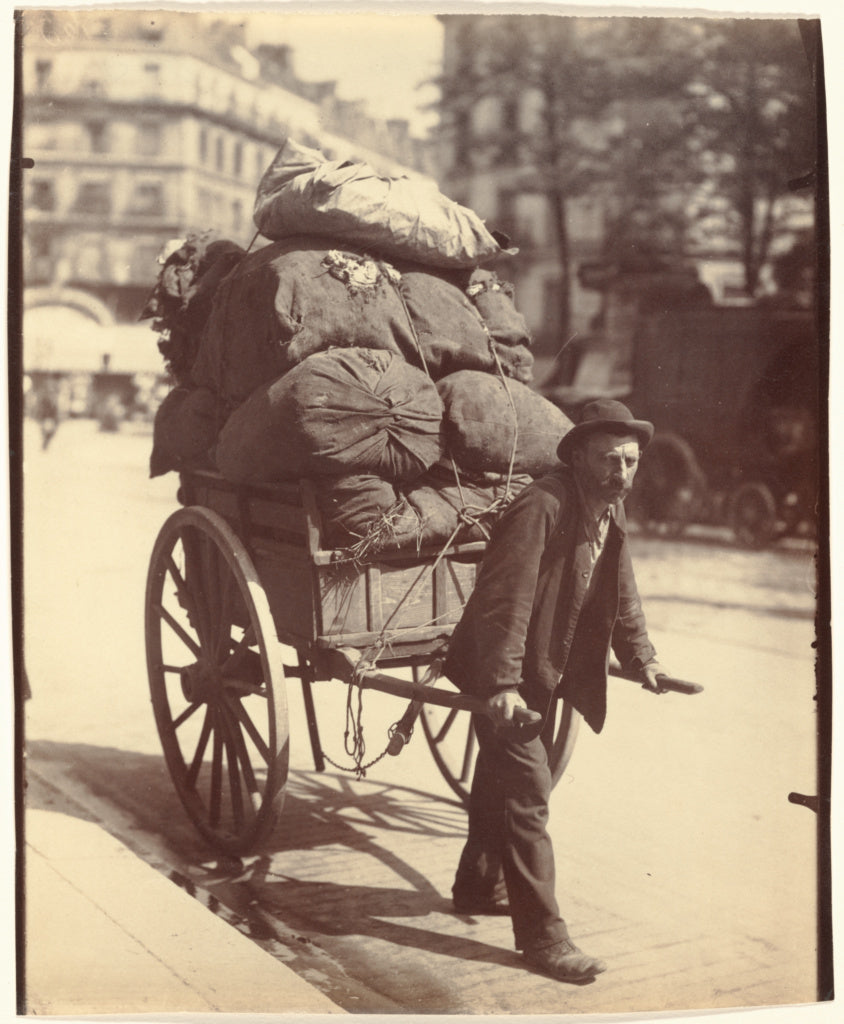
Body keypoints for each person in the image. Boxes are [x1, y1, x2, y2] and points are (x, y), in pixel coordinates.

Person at [442, 398, 668, 984]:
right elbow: (504, 599)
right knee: (528, 788)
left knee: (503, 776)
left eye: (629, 462)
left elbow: (621, 591)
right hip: (510, 672)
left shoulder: (606, 512)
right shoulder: (542, 506)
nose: (620, 474)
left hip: (542, 671)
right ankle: (544, 937)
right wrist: (499, 685)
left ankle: (477, 885)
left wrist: (643, 659)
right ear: (577, 457)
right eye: (608, 461)